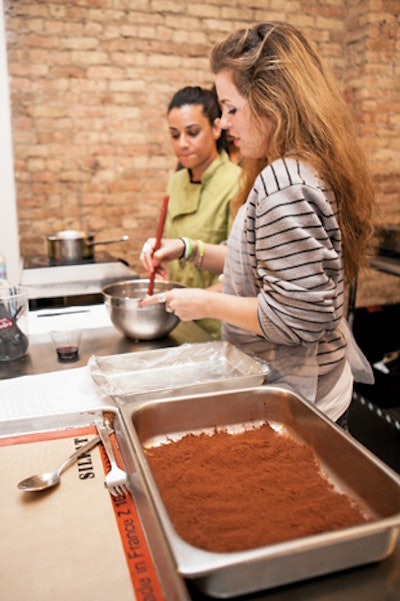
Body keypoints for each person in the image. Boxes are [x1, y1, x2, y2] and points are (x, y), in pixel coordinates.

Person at [140, 22, 375, 423]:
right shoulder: (297, 168)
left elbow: (294, 318)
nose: (225, 123)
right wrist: (187, 249)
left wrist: (205, 303)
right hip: (313, 388)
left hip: (304, 398)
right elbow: (256, 259)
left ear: (273, 101)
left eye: (231, 108)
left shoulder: (282, 182)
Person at [143, 85, 241, 338]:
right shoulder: (176, 182)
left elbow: (241, 274)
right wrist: (160, 258)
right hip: (175, 323)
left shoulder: (239, 183)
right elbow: (172, 246)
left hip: (216, 328)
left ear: (217, 128)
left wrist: (194, 299)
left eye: (193, 133)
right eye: (175, 135)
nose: (183, 144)